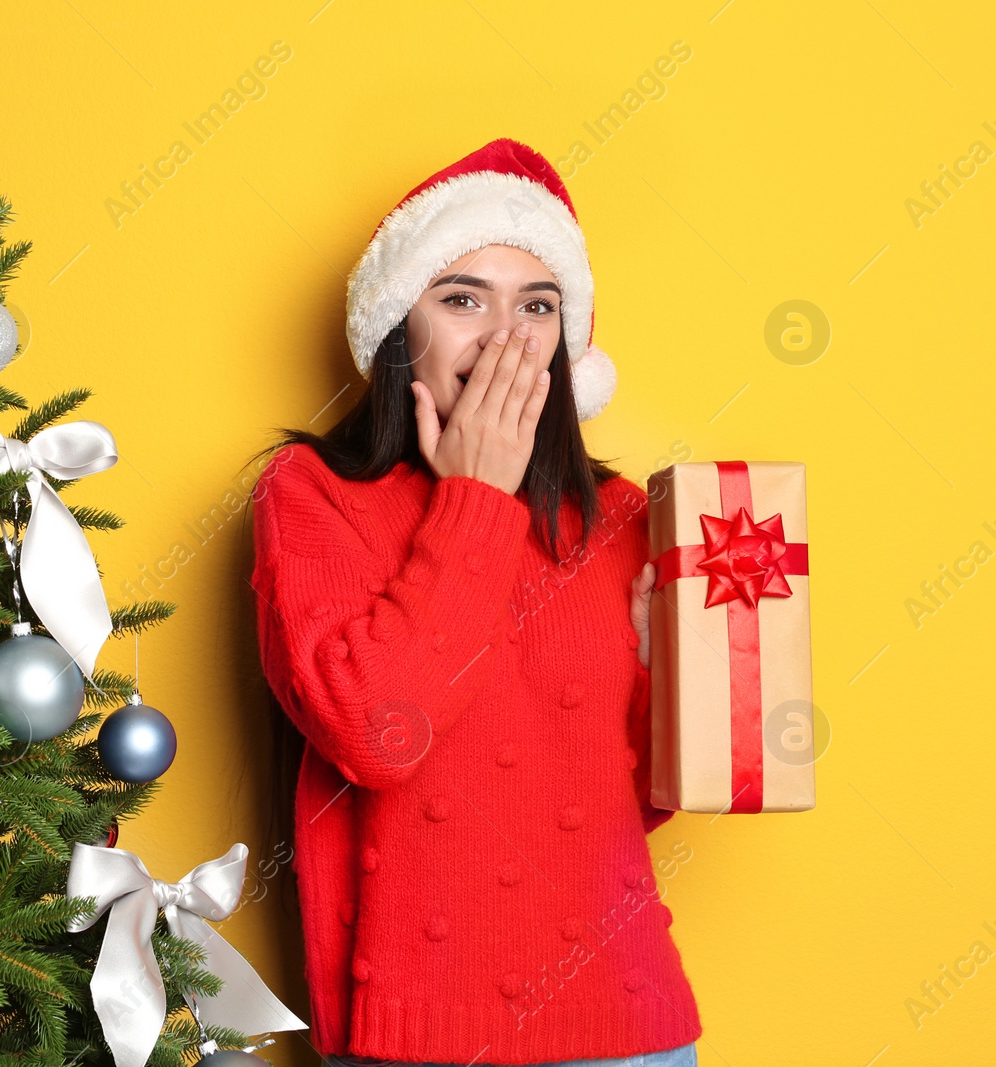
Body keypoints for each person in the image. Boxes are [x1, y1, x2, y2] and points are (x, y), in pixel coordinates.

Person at [247, 139, 701, 1067]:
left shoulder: (617, 518)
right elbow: (379, 735)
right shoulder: (310, 494)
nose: (507, 337)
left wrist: (667, 670)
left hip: (630, 1027)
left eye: (537, 305)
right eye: (463, 298)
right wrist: (477, 506)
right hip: (414, 1038)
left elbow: (623, 807)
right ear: (397, 329)